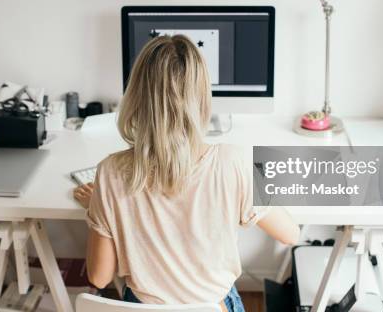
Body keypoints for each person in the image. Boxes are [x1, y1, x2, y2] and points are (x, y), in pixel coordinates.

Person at [74, 35, 299, 312]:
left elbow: (99, 276)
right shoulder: (232, 162)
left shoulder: (110, 173)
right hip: (213, 306)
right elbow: (290, 234)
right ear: (201, 98)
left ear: (136, 95)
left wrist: (98, 207)